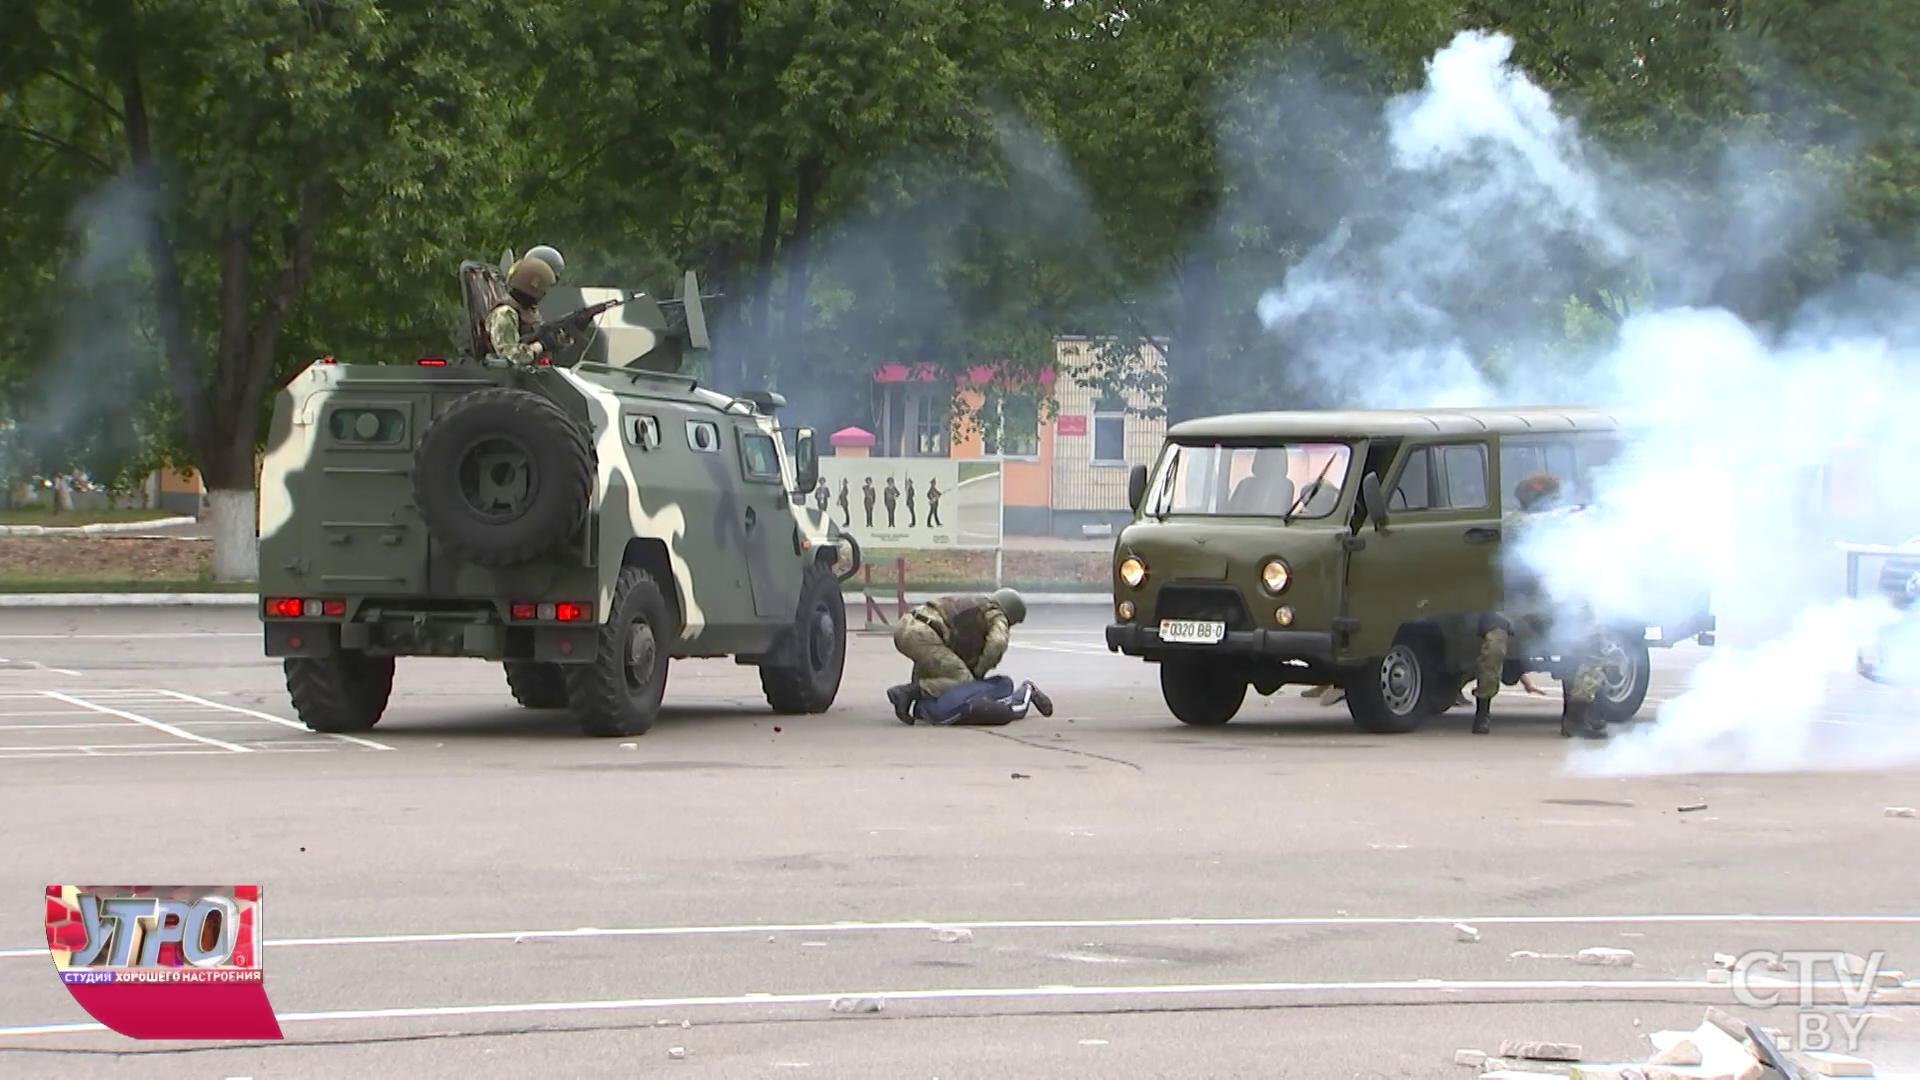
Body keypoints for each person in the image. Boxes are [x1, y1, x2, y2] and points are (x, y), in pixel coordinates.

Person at [1472, 472, 1609, 739]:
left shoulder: (1562, 527)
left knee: (1590, 641)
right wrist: (1564, 515)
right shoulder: (1511, 521)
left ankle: (1576, 716)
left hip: (1545, 602)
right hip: (1508, 604)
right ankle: (1482, 712)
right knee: (1494, 645)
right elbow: (1525, 526)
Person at [886, 588, 1055, 725]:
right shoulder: (996, 614)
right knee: (963, 679)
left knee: (939, 666)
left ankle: (911, 697)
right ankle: (908, 692)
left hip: (905, 625)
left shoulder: (975, 603)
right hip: (924, 634)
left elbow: (932, 663)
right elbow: (997, 642)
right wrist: (979, 672)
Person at [486, 247, 566, 365]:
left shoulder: (529, 311)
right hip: (513, 381)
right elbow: (510, 356)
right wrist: (542, 345)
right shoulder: (505, 313)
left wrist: (557, 341)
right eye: (541, 289)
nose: (543, 294)